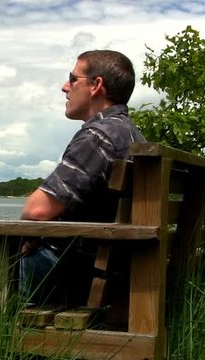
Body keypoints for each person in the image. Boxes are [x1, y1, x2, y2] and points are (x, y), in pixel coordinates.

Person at [18, 50, 146, 306]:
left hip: (77, 275)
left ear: (96, 85)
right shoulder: (133, 135)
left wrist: (30, 233)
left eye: (72, 78)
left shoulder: (99, 136)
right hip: (115, 272)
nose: (64, 87)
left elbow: (36, 210)